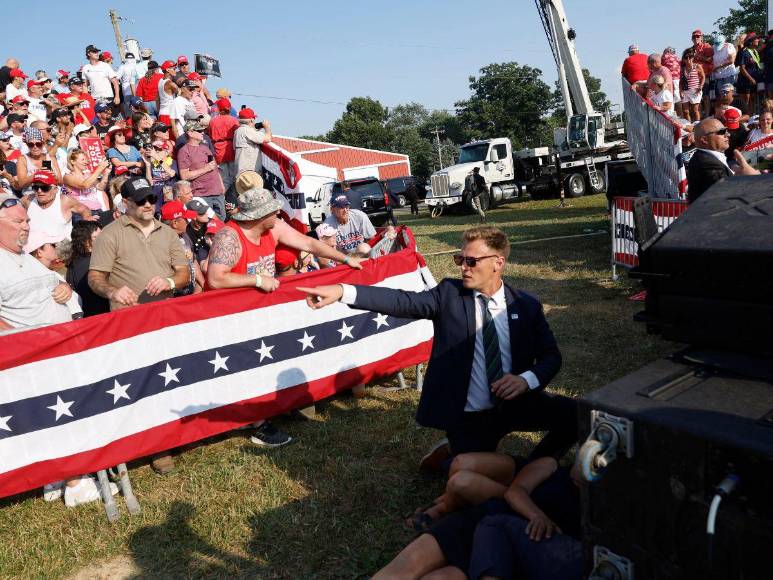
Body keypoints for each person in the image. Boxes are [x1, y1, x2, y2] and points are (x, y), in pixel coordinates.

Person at [299, 226, 578, 469]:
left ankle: (532, 468)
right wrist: (342, 291)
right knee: (469, 478)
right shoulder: (449, 295)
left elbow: (551, 357)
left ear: (498, 262)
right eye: (460, 259)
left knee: (579, 416)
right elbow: (401, 301)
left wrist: (525, 380)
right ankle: (450, 457)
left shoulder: (525, 305)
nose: (463, 267)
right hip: (471, 415)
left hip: (518, 402)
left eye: (471, 261)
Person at [205, 187, 364, 445]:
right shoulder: (229, 237)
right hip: (232, 316)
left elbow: (310, 243)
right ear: (258, 215)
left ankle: (283, 404)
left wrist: (346, 259)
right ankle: (257, 422)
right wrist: (257, 279)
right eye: (272, 209)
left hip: (262, 311)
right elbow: (216, 277)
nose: (278, 211)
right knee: (246, 367)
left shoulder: (273, 227)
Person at [0, 192, 117, 507]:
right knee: (57, 413)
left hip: (57, 351)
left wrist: (64, 289)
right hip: (31, 358)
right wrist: (21, 344)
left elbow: (53, 287)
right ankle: (75, 482)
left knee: (61, 413)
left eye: (27, 221)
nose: (25, 226)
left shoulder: (26, 258)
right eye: (18, 222)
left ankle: (56, 475)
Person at [374, 456, 583, 580]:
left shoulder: (603, 509)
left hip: (509, 551)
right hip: (482, 518)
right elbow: (515, 491)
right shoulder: (551, 466)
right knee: (402, 568)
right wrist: (537, 515)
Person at [687, 118, 759, 204]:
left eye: (727, 130)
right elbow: (730, 195)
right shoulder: (706, 163)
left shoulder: (706, 158)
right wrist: (752, 178)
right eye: (722, 132)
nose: (728, 134)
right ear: (704, 140)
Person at [177, 119, 226, 220]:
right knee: (206, 221)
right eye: (199, 131)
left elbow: (215, 168)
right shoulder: (183, 151)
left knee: (221, 220)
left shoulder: (205, 147)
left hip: (217, 192)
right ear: (190, 132)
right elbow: (184, 175)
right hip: (201, 194)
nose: (202, 132)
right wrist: (206, 169)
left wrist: (221, 185)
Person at [25, 170, 94, 239]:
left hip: (60, 247)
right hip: (33, 247)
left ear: (55, 189)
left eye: (44, 188)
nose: (39, 191)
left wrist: (87, 217)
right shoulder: (28, 200)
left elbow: (84, 209)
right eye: (36, 188)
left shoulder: (64, 201)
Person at [66, 220, 109, 317]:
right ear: (85, 241)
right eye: (96, 237)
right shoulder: (90, 263)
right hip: (99, 316)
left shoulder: (75, 260)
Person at [159, 200, 202, 295]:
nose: (188, 221)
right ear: (175, 223)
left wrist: (202, 284)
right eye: (185, 219)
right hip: (173, 296)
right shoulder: (161, 243)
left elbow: (193, 260)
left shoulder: (184, 235)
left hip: (191, 293)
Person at [15, 127, 62, 195]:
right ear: (27, 145)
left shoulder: (49, 158)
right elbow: (21, 184)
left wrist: (53, 177)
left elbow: (60, 182)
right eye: (31, 144)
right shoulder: (23, 159)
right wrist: (38, 174)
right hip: (31, 194)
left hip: (50, 194)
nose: (35, 147)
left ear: (43, 144)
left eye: (38, 144)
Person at [208, 97, 239, 197]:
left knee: (224, 180)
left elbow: (210, 135)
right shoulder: (234, 120)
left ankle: (221, 200)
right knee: (235, 178)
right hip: (231, 149)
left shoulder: (213, 121)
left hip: (218, 149)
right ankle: (233, 202)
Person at [233, 107, 272, 174]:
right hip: (249, 172)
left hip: (241, 170)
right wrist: (267, 127)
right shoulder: (247, 131)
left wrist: (255, 128)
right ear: (251, 120)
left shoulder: (237, 131)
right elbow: (268, 138)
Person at [81, 44, 119, 108]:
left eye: (97, 51)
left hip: (108, 97)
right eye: (94, 52)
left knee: (109, 117)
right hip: (94, 99)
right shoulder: (85, 68)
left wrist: (117, 96)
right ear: (88, 54)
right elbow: (85, 86)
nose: (97, 53)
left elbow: (115, 82)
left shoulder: (105, 65)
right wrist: (87, 99)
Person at [691, 30, 714, 116]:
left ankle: (707, 115)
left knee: (705, 96)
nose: (696, 38)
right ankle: (699, 116)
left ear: (701, 37)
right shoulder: (691, 49)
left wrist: (698, 57)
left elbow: (711, 59)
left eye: (698, 36)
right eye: (694, 37)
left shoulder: (706, 46)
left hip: (705, 75)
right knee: (696, 98)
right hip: (694, 77)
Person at [738, 35, 764, 114]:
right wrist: (750, 79)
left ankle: (751, 116)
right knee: (746, 101)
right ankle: (745, 118)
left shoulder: (755, 51)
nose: (758, 40)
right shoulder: (744, 52)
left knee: (752, 100)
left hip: (753, 81)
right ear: (751, 42)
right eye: (756, 39)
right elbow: (742, 68)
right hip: (745, 81)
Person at [680, 49, 705, 123]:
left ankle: (697, 126)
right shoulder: (682, 69)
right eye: (686, 57)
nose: (688, 59)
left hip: (695, 91)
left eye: (690, 57)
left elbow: (703, 77)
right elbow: (680, 82)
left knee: (695, 110)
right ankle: (689, 127)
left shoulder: (697, 66)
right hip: (685, 91)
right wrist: (680, 91)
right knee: (685, 111)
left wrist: (701, 86)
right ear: (683, 59)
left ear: (693, 57)